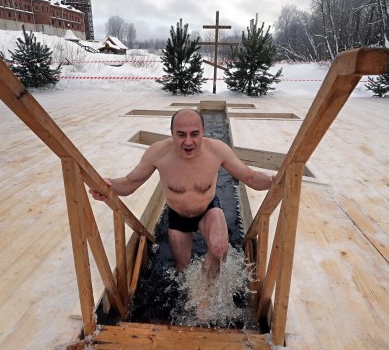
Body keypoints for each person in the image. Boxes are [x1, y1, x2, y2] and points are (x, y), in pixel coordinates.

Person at [90, 108, 275, 279]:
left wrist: (273, 182)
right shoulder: (158, 153)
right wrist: (109, 186)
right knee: (182, 270)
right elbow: (130, 184)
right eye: (181, 135)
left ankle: (206, 296)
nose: (188, 142)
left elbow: (249, 177)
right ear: (172, 133)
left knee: (219, 249)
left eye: (194, 134)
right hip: (177, 216)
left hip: (208, 208)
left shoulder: (217, 150)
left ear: (203, 131)